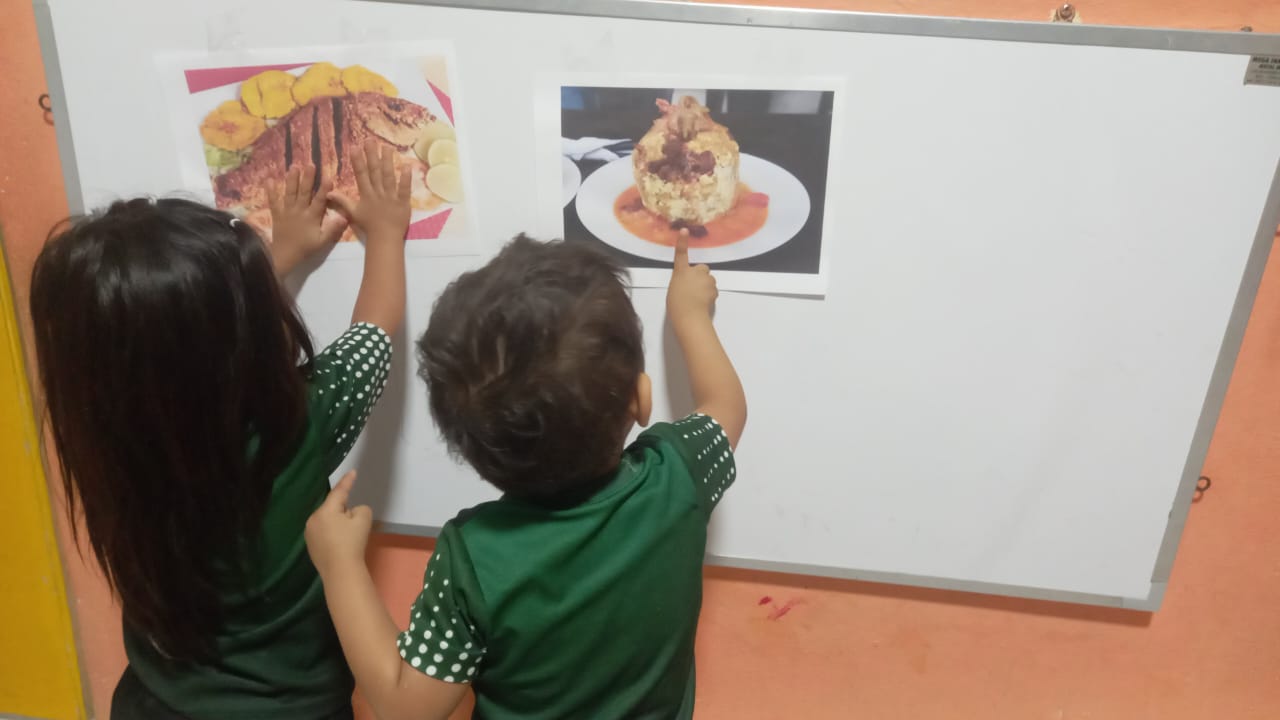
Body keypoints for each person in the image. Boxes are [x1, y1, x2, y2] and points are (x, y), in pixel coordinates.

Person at [29, 140, 411, 720]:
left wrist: (275, 258)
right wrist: (385, 235)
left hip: (153, 705)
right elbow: (373, 337)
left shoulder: (105, 441)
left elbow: (170, 340)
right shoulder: (295, 425)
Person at [305, 234, 747, 719]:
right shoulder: (680, 472)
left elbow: (404, 706)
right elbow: (725, 405)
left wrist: (340, 564)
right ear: (641, 400)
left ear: (474, 453)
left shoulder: (474, 557)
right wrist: (691, 314)